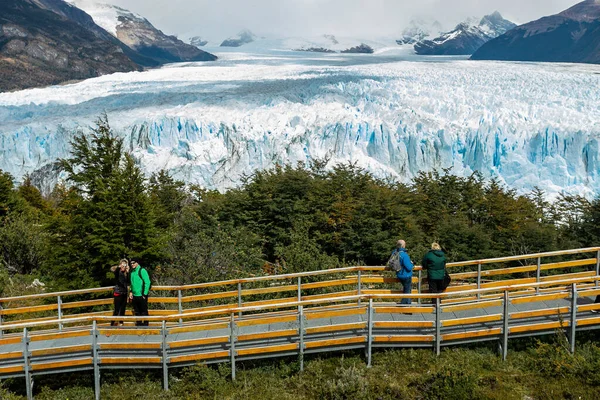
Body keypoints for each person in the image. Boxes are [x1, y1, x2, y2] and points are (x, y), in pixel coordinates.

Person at [389, 239, 414, 305]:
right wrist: (412, 264)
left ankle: (407, 305)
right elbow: (409, 267)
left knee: (407, 290)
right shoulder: (404, 255)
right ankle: (404, 305)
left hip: (399, 274)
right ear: (403, 246)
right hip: (405, 275)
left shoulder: (394, 253)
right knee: (407, 291)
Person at [129, 260, 151, 326]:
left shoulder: (142, 270)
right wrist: (130, 292)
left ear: (137, 263)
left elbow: (147, 282)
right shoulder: (132, 272)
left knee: (144, 311)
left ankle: (146, 326)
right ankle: (139, 326)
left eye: (134, 263)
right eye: (131, 263)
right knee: (137, 312)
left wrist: (145, 294)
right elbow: (132, 283)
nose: (132, 264)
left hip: (141, 295)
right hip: (134, 295)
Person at [110, 259, 129, 327]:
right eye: (122, 265)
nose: (123, 266)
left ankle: (121, 323)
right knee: (116, 310)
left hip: (124, 293)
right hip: (118, 293)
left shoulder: (126, 273)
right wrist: (119, 266)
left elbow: (129, 281)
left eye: (125, 265)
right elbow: (115, 270)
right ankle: (112, 324)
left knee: (123, 309)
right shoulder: (117, 272)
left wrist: (128, 271)